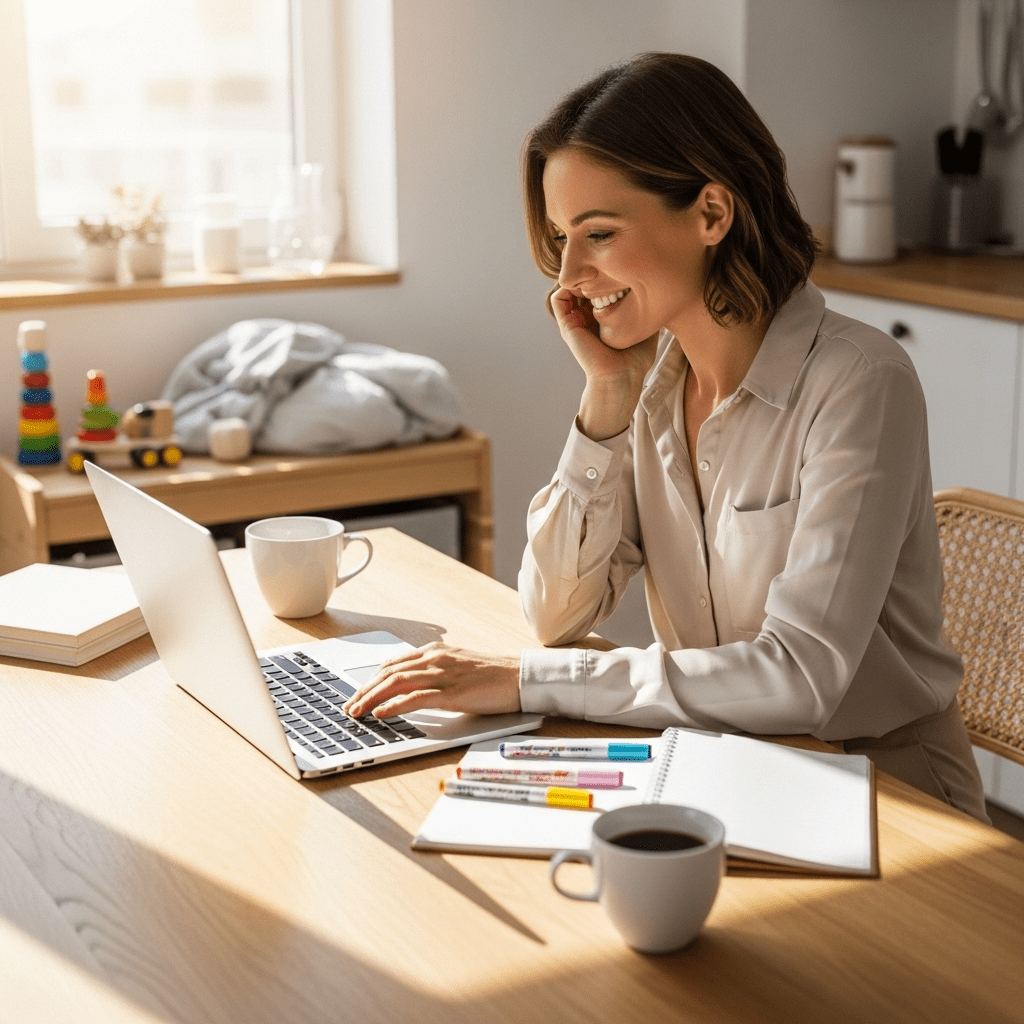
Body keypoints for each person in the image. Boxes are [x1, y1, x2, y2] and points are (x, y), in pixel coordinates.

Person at [345, 52, 989, 821]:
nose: (568, 275)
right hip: (728, 773)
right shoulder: (652, 394)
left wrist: (526, 680)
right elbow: (555, 614)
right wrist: (607, 396)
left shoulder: (860, 382)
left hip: (891, 799)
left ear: (711, 214)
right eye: (561, 237)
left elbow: (801, 676)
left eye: (598, 233)